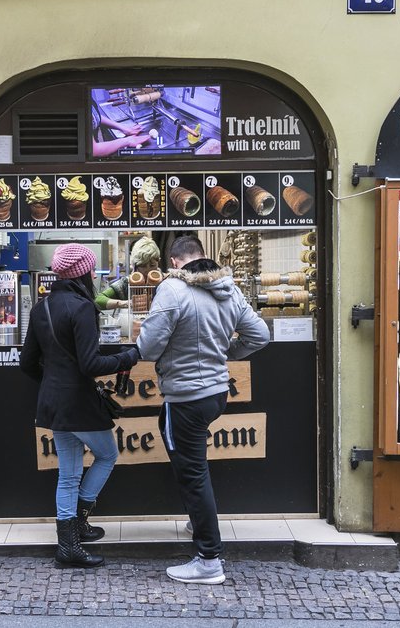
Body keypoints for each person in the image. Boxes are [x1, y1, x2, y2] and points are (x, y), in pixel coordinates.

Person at [137, 235, 270, 584]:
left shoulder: (172, 289)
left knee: (193, 475)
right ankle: (198, 522)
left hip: (186, 396)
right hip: (214, 394)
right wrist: (225, 355)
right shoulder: (228, 288)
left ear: (175, 262)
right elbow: (259, 335)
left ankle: (209, 559)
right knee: (193, 466)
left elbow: (148, 348)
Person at [20, 243, 139, 568]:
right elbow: (89, 364)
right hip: (78, 402)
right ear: (83, 272)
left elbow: (27, 362)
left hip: (55, 404)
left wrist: (54, 380)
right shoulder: (82, 307)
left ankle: (70, 540)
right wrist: (128, 357)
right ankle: (76, 529)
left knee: (68, 474)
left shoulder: (41, 307)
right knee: (107, 454)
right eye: (90, 270)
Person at [95, 235, 161, 310]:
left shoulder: (166, 282)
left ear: (158, 261)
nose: (148, 270)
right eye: (142, 266)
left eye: (152, 265)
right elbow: (98, 300)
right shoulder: (126, 283)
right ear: (135, 265)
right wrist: (126, 303)